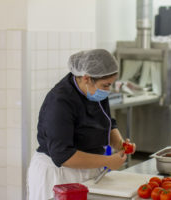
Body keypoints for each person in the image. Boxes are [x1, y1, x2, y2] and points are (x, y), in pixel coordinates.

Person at [27, 49, 136, 200]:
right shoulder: (60, 101)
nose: (108, 90)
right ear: (86, 78)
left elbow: (107, 122)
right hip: (59, 175)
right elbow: (62, 155)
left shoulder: (95, 91)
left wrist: (120, 144)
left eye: (110, 84)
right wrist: (108, 161)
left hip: (88, 169)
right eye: (106, 85)